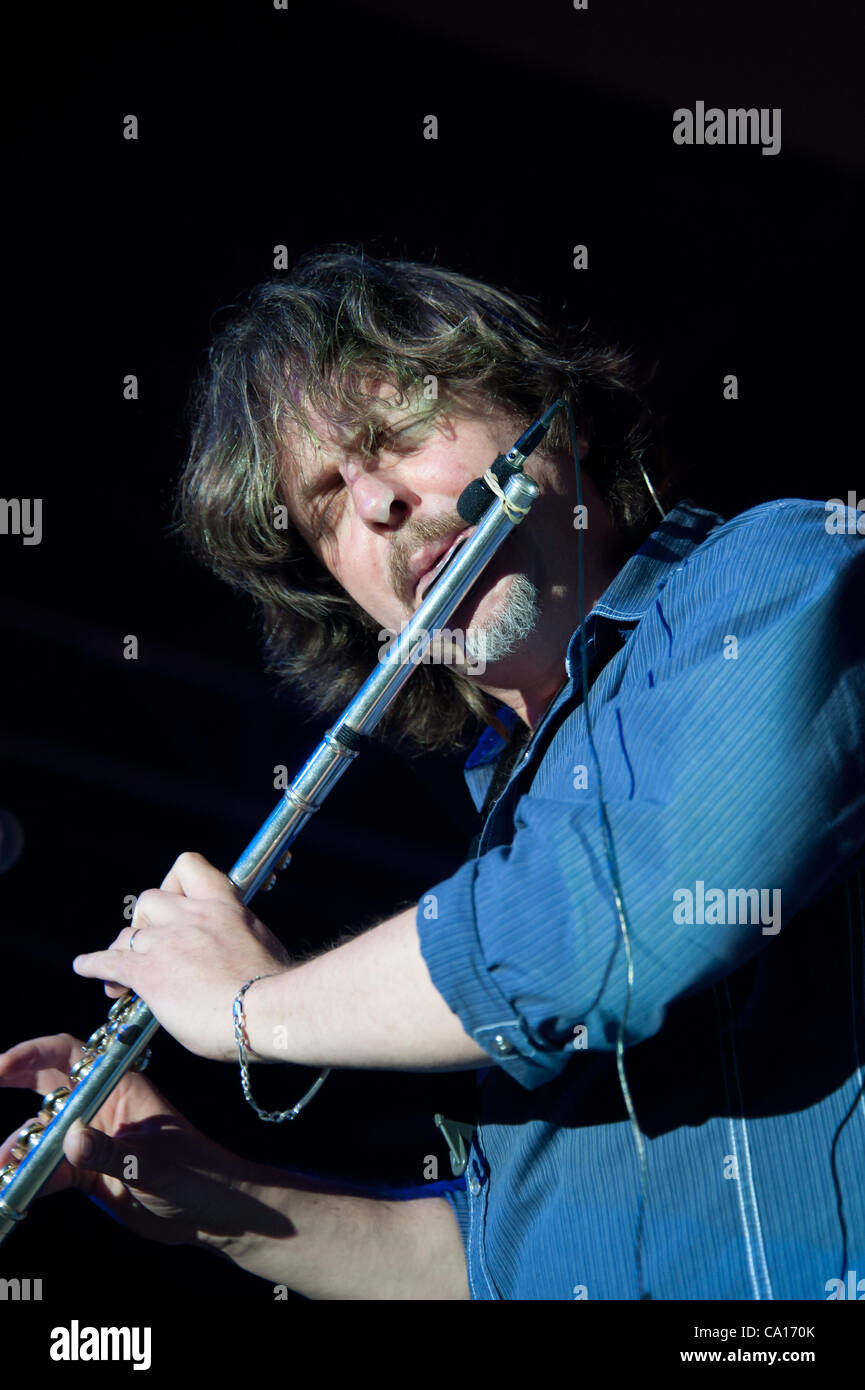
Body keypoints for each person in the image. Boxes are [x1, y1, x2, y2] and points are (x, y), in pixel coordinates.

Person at [2, 251, 863, 1300]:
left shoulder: (782, 572)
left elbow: (617, 923)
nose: (372, 502)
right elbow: (505, 1262)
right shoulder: (510, 833)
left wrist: (250, 1005)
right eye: (323, 500)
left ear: (557, 417)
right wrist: (221, 1200)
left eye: (397, 432)